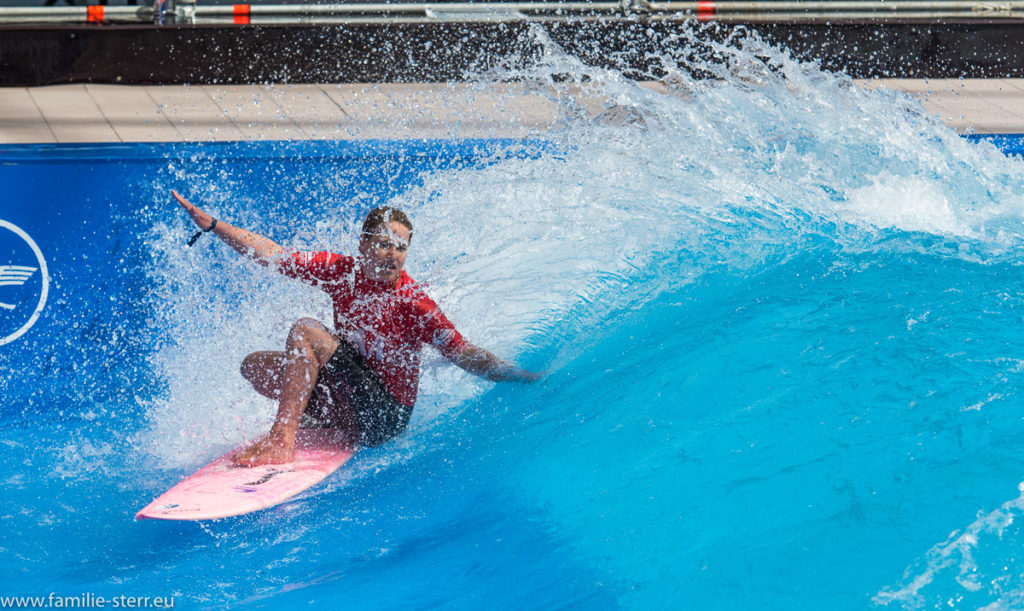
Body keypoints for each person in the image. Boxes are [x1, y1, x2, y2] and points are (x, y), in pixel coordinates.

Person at [171, 190, 541, 467]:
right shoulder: (341, 271)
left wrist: (520, 376)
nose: (393, 254)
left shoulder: (414, 303)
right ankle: (322, 419)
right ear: (363, 245)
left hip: (385, 415)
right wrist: (214, 226)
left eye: (401, 247)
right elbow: (273, 254)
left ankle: (280, 442)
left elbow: (464, 353)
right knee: (256, 366)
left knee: (305, 331)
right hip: (350, 396)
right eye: (384, 244)